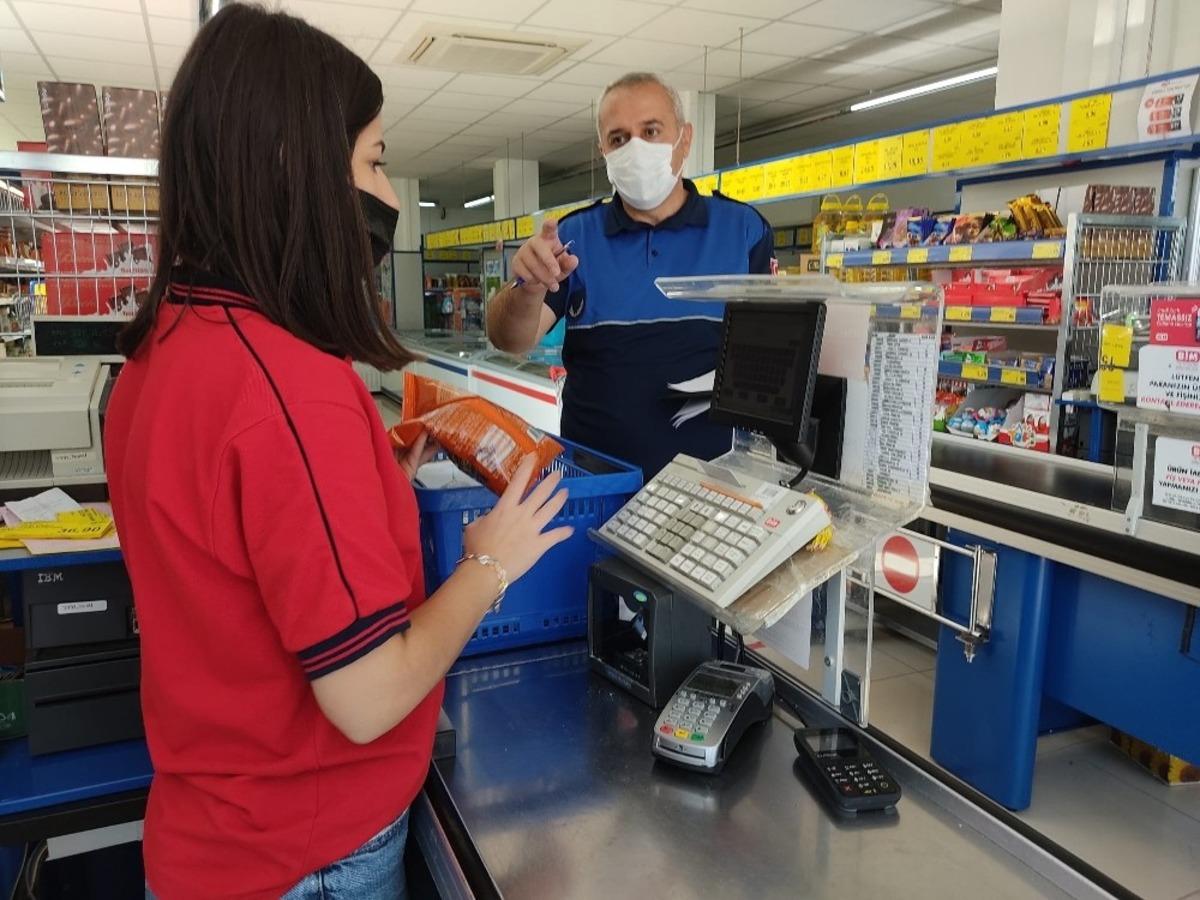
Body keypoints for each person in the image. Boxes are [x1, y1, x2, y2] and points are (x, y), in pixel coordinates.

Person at [104, 6, 571, 899]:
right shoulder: (290, 387)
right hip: (309, 857)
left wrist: (362, 492)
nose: (390, 198)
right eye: (377, 160)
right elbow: (365, 700)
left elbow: (230, 563)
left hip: (209, 838)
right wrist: (489, 567)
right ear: (298, 169)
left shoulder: (156, 351)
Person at [487, 72, 776, 479]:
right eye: (619, 138)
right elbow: (510, 339)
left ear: (685, 138)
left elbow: (769, 363)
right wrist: (527, 289)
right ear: (603, 150)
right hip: (593, 486)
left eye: (651, 131)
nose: (635, 148)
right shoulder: (573, 237)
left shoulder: (744, 232)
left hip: (710, 491)